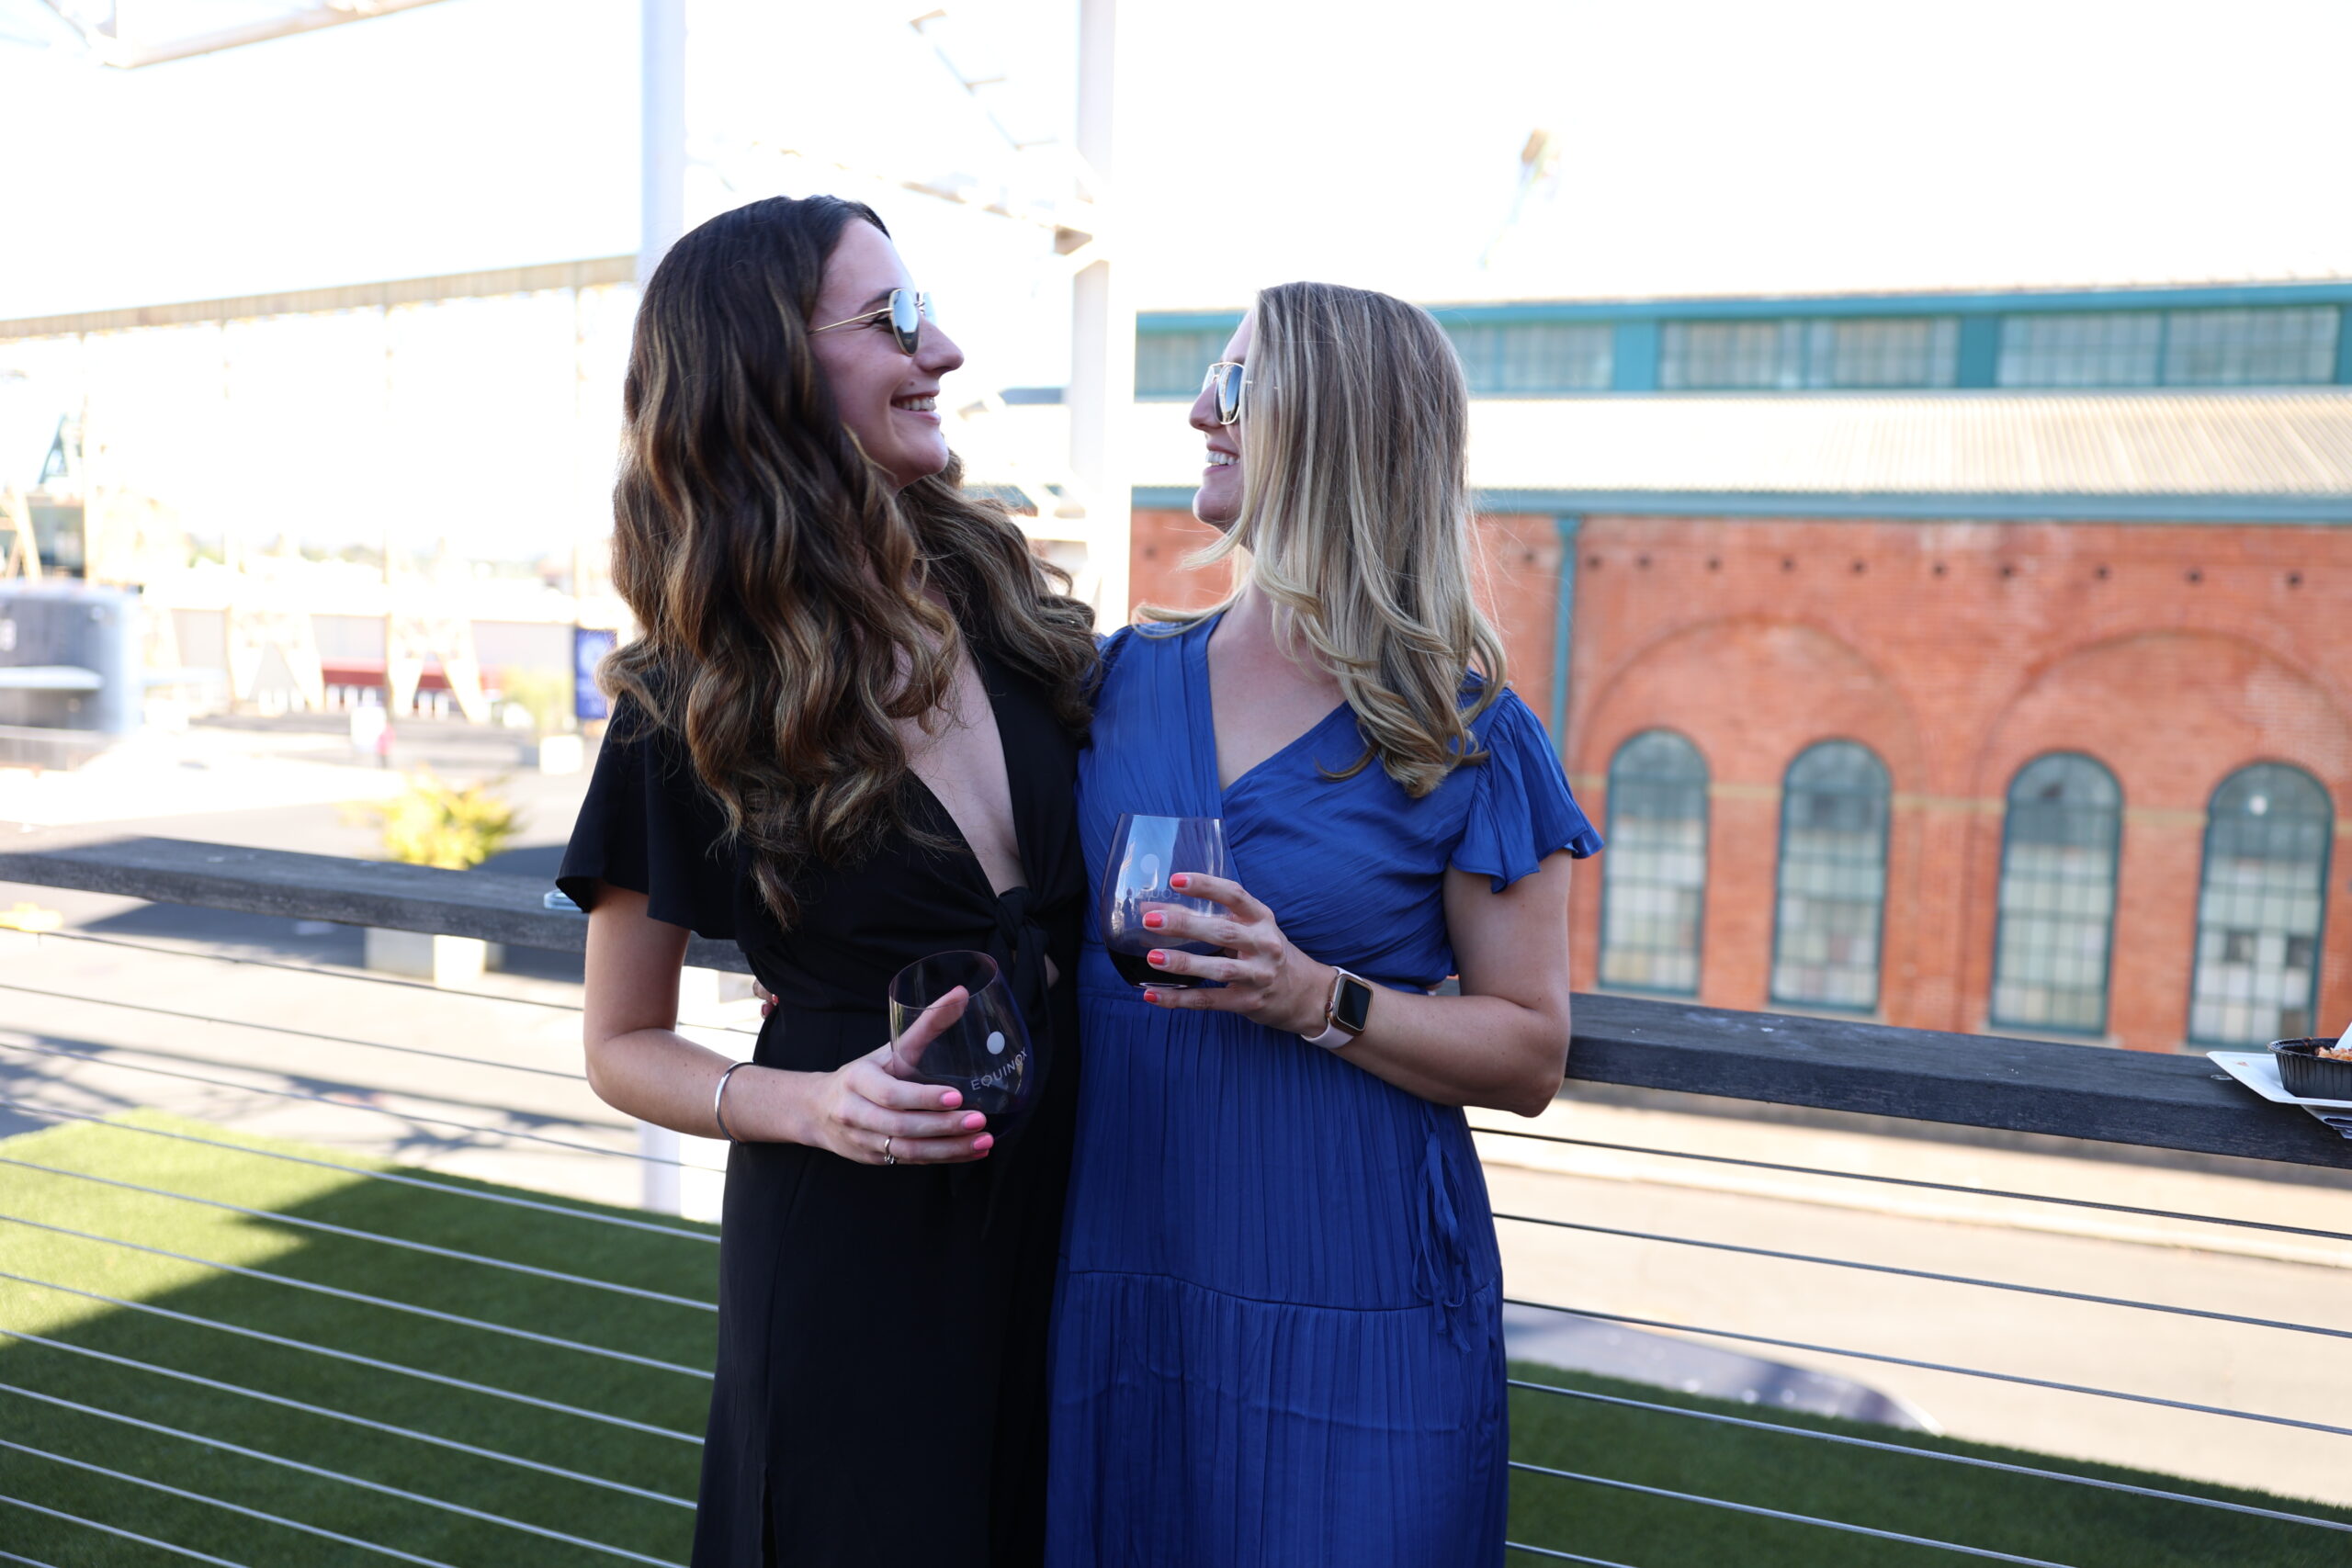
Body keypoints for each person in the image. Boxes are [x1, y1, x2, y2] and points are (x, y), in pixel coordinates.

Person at [560, 195, 1096, 1566]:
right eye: (894, 319)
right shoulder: (690, 696)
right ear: (767, 369)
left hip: (1078, 1221)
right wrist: (810, 1104)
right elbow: (621, 1045)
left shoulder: (1004, 607)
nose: (945, 350)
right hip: (856, 1245)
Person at [1046, 281, 1601, 1565]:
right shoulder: (1109, 688)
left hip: (1358, 1298)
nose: (1200, 411)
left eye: (1236, 385)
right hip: (1121, 1277)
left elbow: (1530, 1051)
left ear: (1338, 426)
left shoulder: (1464, 734)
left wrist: (1315, 997)